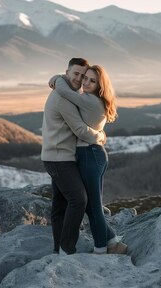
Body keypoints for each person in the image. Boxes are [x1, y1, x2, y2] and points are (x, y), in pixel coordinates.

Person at [49, 64, 128, 255]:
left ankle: (101, 249)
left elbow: (65, 92)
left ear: (100, 85)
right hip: (94, 154)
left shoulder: (89, 100)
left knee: (93, 207)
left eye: (92, 81)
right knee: (92, 206)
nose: (86, 83)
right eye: (85, 78)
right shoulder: (95, 100)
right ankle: (112, 240)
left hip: (89, 155)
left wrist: (57, 78)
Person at [41, 57, 106, 255]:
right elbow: (79, 129)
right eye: (76, 74)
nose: (80, 79)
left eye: (83, 76)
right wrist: (100, 136)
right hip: (60, 158)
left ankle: (58, 249)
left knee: (60, 204)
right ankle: (66, 248)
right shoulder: (63, 99)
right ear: (67, 72)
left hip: (57, 155)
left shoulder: (67, 91)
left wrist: (58, 79)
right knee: (79, 200)